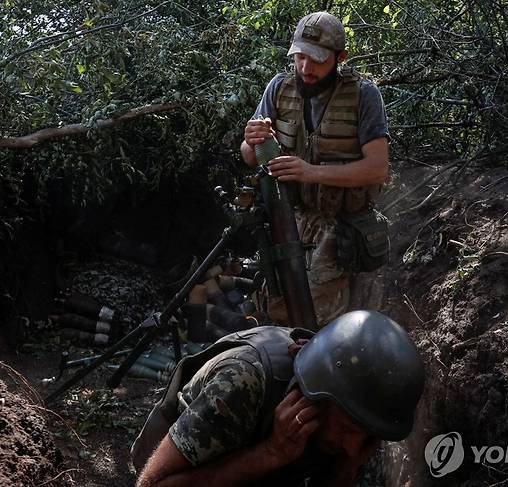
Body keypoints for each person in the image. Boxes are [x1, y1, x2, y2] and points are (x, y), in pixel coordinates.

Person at [132, 310, 425, 486]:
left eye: (364, 437)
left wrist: (344, 471)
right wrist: (271, 453)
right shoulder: (243, 384)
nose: (352, 447)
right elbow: (151, 484)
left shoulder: (364, 420)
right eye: (348, 430)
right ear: (314, 397)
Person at [240, 11, 390, 326]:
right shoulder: (279, 88)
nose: (306, 69)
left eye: (317, 60)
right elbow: (250, 157)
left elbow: (377, 169)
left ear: (340, 58)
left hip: (340, 225)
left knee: (316, 320)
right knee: (275, 304)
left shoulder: (363, 95)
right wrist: (251, 140)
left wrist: (310, 172)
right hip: (288, 217)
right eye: (300, 58)